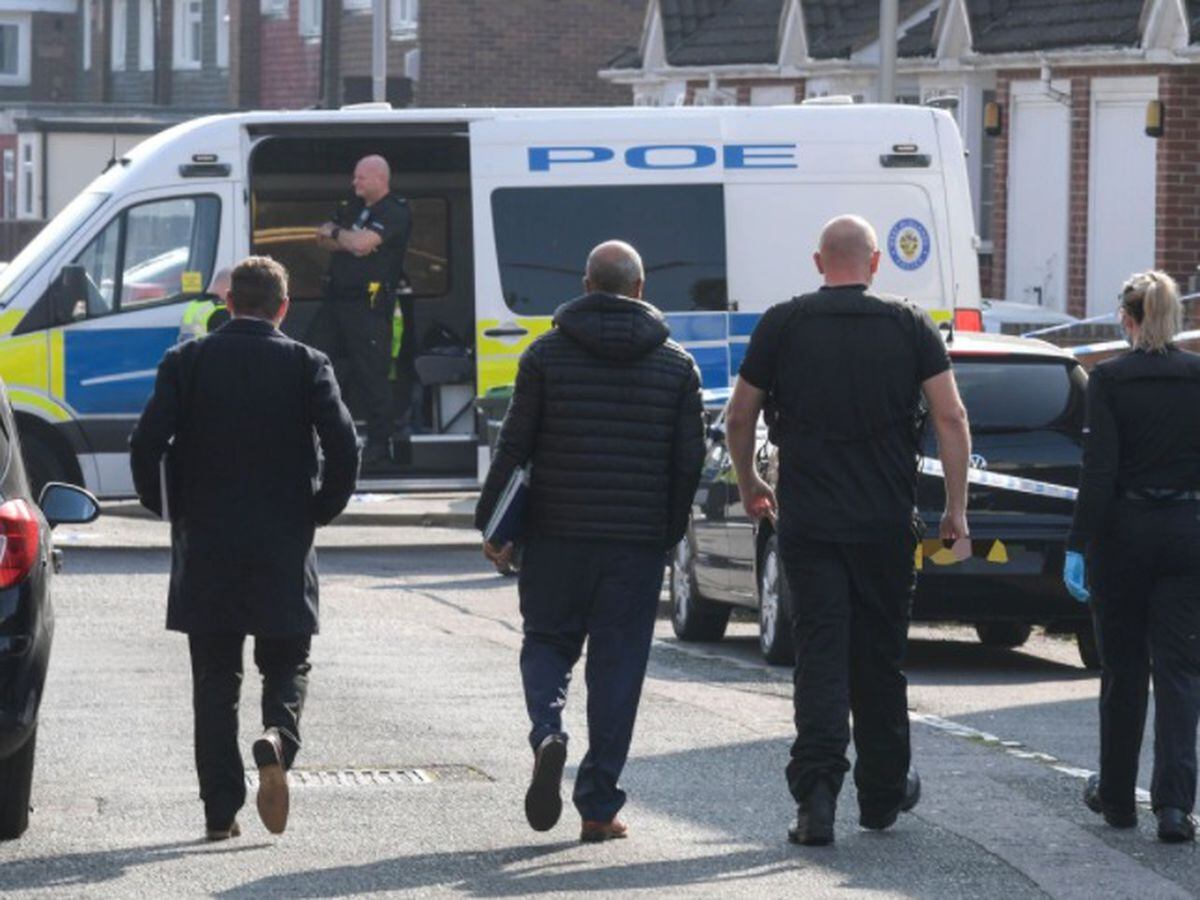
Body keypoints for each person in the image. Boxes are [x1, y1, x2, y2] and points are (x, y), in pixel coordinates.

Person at [725, 215, 971, 846]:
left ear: (818, 263)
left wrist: (751, 482)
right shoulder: (909, 324)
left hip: (808, 525)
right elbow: (950, 415)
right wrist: (955, 510)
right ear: (874, 265)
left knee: (821, 658)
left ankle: (816, 802)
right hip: (885, 524)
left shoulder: (783, 323)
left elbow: (739, 415)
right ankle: (883, 797)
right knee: (881, 661)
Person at [475, 240, 705, 843]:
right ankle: (599, 807)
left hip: (555, 536)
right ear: (639, 287)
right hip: (633, 544)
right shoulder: (677, 365)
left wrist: (491, 526)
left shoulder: (545, 355)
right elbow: (689, 463)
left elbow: (515, 446)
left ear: (585, 286)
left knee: (547, 642)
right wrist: (669, 532)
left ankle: (547, 731)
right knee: (618, 667)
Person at [130, 256, 359, 841]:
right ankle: (278, 739)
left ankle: (220, 812)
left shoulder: (186, 361)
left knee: (214, 681)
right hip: (282, 543)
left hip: (206, 547)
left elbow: (146, 443)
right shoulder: (308, 364)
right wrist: (319, 511)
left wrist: (171, 510)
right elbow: (344, 446)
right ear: (283, 308)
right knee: (287, 663)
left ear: (227, 304)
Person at [1064, 270, 1200, 844]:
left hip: (1123, 535)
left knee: (1123, 669)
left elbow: (1099, 474)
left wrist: (1077, 545)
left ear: (1128, 319)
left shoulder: (1110, 380)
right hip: (1187, 531)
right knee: (1180, 671)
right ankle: (1175, 807)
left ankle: (1118, 797)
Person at [312, 154, 413, 470]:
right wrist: (345, 238)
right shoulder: (351, 207)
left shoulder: (394, 211)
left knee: (372, 375)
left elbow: (360, 244)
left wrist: (340, 236)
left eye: (360, 177)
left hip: (368, 307)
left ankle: (380, 447)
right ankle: (317, 437)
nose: (354, 182)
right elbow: (321, 238)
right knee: (315, 363)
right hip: (336, 303)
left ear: (380, 179)